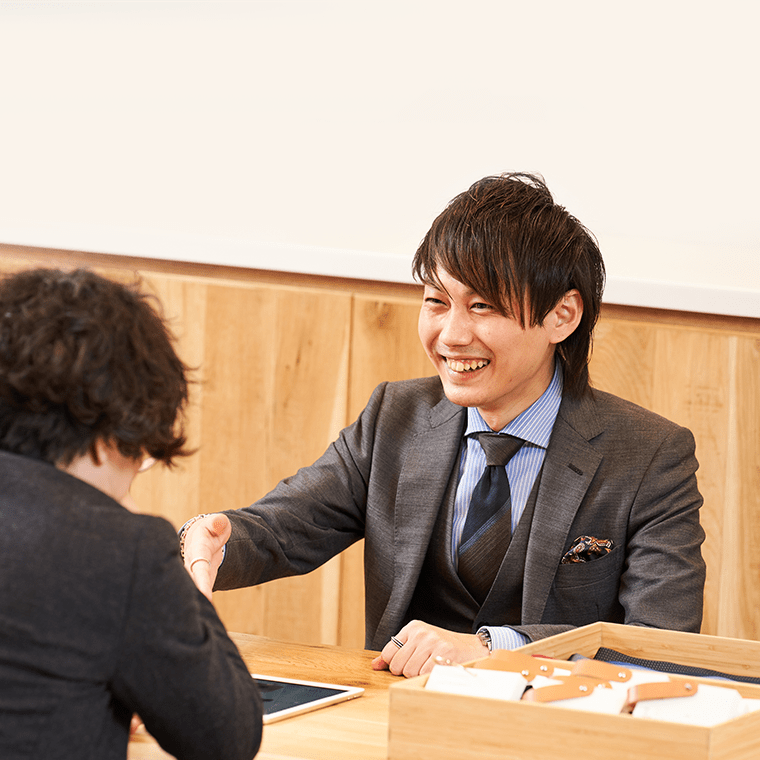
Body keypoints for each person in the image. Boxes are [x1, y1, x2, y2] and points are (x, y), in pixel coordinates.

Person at [181, 173, 706, 678]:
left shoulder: (651, 455)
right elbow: (285, 528)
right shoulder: (395, 416)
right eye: (436, 301)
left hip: (556, 720)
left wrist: (492, 648)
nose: (451, 335)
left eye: (483, 306)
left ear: (562, 316)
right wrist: (215, 541)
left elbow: (661, 644)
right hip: (397, 709)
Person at [0, 268, 262, 759]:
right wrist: (164, 568)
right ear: (109, 435)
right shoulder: (118, 549)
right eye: (141, 451)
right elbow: (228, 735)